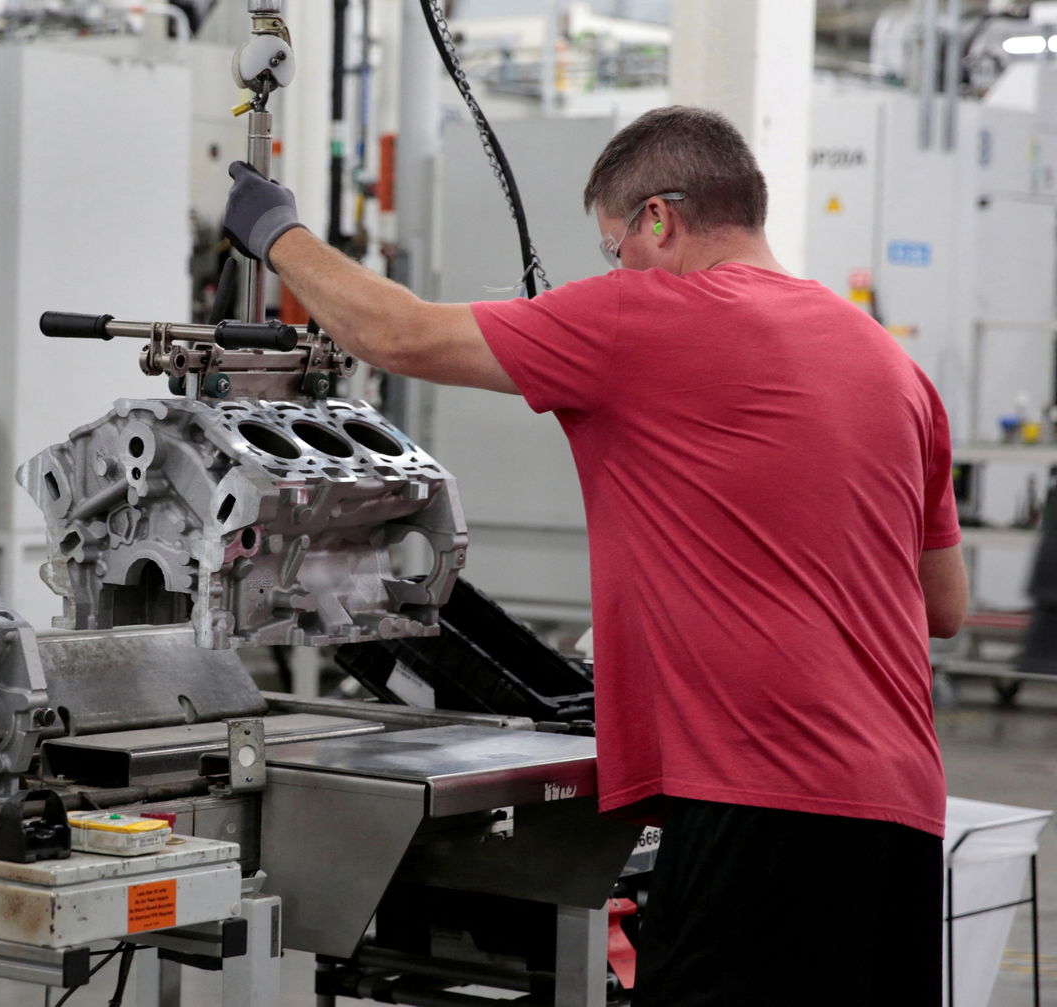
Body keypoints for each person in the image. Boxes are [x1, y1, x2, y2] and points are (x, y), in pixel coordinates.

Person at [222, 105, 966, 1006]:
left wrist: (277, 232)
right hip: (903, 811)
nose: (616, 268)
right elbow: (943, 606)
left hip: (760, 798)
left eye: (616, 247)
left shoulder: (648, 312)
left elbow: (398, 333)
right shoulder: (892, 364)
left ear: (659, 218)